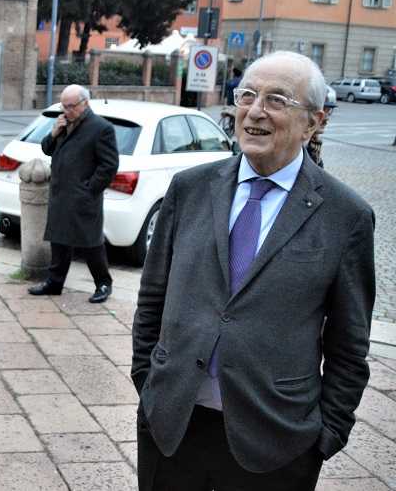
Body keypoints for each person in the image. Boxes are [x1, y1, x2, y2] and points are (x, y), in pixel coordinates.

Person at [132, 50, 376, 491]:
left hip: (275, 440)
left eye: (277, 100)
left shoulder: (346, 216)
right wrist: (148, 384)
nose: (255, 111)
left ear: (314, 122)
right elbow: (153, 298)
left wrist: (326, 435)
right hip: (171, 424)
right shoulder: (189, 189)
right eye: (247, 95)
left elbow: (349, 343)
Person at [28, 84, 119, 303]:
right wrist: (53, 132)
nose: (67, 110)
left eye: (71, 106)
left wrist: (89, 189)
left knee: (91, 243)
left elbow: (109, 165)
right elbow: (47, 149)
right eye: (64, 106)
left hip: (84, 197)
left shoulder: (101, 128)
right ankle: (54, 282)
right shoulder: (63, 123)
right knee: (59, 241)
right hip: (60, 194)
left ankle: (103, 283)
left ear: (85, 103)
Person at [305, 87, 336, 167]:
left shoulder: (314, 144)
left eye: (329, 111)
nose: (326, 118)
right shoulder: (297, 146)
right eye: (324, 109)